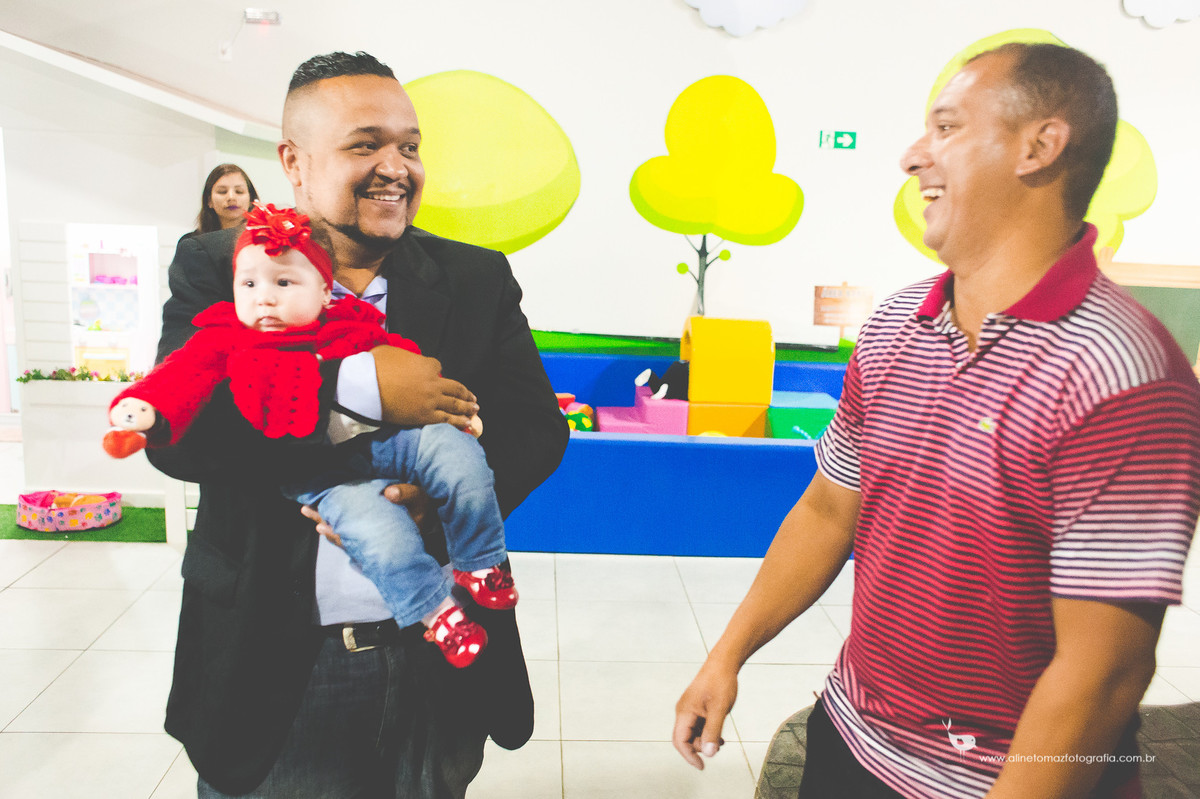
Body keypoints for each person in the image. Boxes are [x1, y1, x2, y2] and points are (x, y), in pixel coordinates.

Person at [674, 42, 1200, 799]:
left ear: (1039, 147)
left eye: (947, 127)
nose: (912, 155)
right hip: (851, 737)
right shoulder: (894, 327)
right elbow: (828, 511)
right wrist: (727, 653)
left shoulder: (1122, 372)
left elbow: (1103, 672)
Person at [145, 52, 568, 798]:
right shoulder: (221, 266)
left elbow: (536, 428)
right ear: (294, 163)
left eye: (410, 146)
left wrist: (439, 499)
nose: (395, 167)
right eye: (364, 145)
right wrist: (364, 390)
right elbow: (181, 431)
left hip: (437, 662)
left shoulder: (475, 278)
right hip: (276, 664)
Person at [107, 202, 518, 669]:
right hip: (322, 475)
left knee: (457, 452)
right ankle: (438, 615)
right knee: (381, 534)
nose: (264, 298)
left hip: (385, 444)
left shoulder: (346, 321)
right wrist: (146, 408)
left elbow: (408, 367)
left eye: (284, 283)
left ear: (324, 292)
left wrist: (455, 411)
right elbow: (181, 376)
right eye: (248, 284)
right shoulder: (223, 335)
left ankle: (480, 563)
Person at [193, 163, 259, 234]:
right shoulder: (193, 239)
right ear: (209, 201)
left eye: (239, 191)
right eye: (222, 192)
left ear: (251, 199)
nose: (231, 197)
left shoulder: (264, 237)